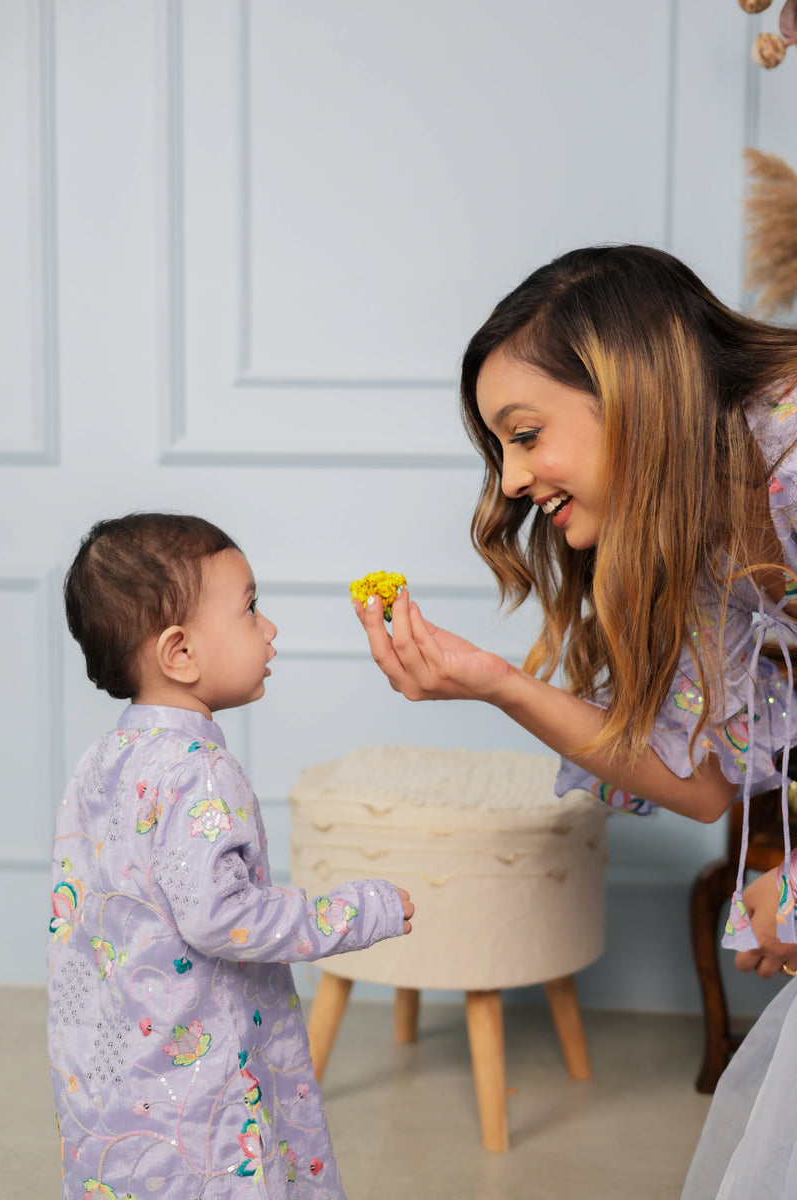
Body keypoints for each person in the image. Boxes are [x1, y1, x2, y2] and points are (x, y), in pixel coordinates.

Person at [352, 244, 797, 1197]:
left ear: (629, 385)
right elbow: (705, 782)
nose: (509, 481)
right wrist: (500, 685)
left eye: (523, 432)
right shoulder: (709, 540)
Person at [48, 513, 414, 1200]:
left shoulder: (102, 760)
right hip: (200, 1094)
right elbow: (224, 920)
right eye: (250, 609)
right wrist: (362, 910)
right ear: (179, 654)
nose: (268, 628)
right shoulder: (198, 772)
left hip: (110, 1076)